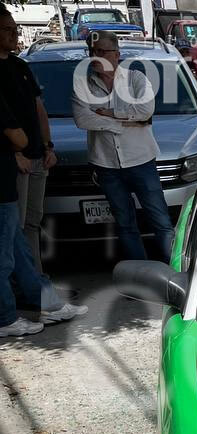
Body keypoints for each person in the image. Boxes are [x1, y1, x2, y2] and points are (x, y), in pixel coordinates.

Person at [72, 31, 173, 262]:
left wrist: (108, 113)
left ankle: (174, 274)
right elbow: (82, 119)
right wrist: (124, 123)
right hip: (106, 164)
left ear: (116, 54)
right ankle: (140, 277)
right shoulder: (83, 85)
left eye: (101, 52)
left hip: (141, 161)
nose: (95, 56)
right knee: (125, 224)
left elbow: (145, 112)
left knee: (161, 222)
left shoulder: (136, 79)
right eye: (92, 52)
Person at [1, 73, 87, 336]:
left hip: (6, 188)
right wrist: (20, 144)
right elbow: (18, 136)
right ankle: (5, 318)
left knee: (20, 251)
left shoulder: (19, 69)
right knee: (4, 258)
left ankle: (47, 304)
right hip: (3, 185)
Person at [0, 7, 56, 272]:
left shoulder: (20, 65)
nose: (14, 34)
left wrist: (48, 146)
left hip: (38, 156)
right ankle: (24, 292)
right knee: (15, 227)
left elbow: (39, 109)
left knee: (33, 222)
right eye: (8, 30)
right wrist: (14, 154)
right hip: (15, 161)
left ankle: (38, 282)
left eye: (15, 29)